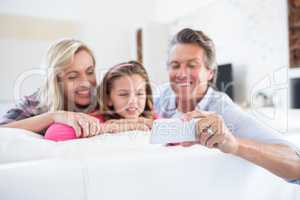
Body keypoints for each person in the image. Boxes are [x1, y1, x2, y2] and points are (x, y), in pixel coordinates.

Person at [154, 28, 300, 183]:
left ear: (210, 72)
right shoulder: (161, 96)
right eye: (175, 65)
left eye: (192, 65)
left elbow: (297, 164)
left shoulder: (224, 110)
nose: (182, 73)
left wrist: (235, 144)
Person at [0, 39, 101, 137]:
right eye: (72, 76)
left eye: (90, 72)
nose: (86, 83)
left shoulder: (105, 98)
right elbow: (3, 130)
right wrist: (54, 116)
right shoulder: (34, 103)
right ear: (55, 80)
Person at [44, 61, 158, 141]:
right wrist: (118, 126)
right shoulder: (97, 120)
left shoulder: (151, 118)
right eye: (123, 94)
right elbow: (53, 134)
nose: (133, 101)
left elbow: (175, 134)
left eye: (139, 93)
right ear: (108, 99)